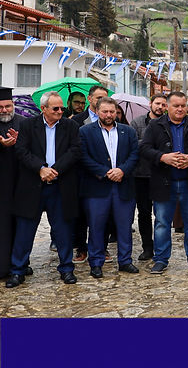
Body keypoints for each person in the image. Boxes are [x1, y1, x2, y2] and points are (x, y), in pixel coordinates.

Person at [7, 92, 81, 287]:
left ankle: (66, 269)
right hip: (33, 186)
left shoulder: (71, 126)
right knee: (25, 231)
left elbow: (75, 151)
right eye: (55, 108)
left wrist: (55, 170)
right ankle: (18, 270)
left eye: (62, 108)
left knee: (63, 231)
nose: (60, 111)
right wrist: (40, 168)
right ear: (43, 109)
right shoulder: (28, 125)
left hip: (60, 186)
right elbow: (21, 151)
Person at [139, 91, 188, 275]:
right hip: (164, 182)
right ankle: (161, 259)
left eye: (183, 105)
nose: (180, 109)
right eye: (176, 106)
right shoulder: (156, 125)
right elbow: (144, 148)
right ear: (167, 107)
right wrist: (163, 157)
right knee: (162, 224)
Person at [77, 97, 141, 277]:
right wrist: (105, 172)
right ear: (97, 111)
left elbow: (135, 155)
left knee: (124, 226)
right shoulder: (85, 131)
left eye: (112, 111)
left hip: (123, 186)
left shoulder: (128, 131)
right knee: (96, 227)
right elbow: (83, 157)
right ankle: (96, 263)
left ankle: (125, 261)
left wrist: (122, 170)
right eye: (105, 111)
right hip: (97, 188)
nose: (109, 115)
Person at [70, 84, 109, 263]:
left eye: (105, 97)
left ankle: (102, 247)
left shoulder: (111, 119)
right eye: (99, 97)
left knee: (105, 214)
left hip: (105, 174)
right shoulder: (77, 120)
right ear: (90, 99)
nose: (102, 100)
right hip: (82, 174)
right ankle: (81, 248)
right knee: (81, 214)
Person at [131, 93, 167, 260]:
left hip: (162, 174)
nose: (160, 107)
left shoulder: (168, 123)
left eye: (163, 104)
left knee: (162, 215)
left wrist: (147, 145)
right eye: (157, 103)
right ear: (150, 104)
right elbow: (131, 145)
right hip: (141, 175)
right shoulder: (137, 123)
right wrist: (149, 144)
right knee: (144, 214)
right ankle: (147, 247)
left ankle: (161, 249)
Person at [0, 87, 25, 279]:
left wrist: (19, 143)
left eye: (8, 106)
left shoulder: (23, 123)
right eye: (0, 107)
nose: (4, 110)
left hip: (20, 184)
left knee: (20, 226)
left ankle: (20, 264)